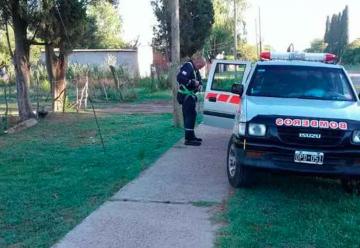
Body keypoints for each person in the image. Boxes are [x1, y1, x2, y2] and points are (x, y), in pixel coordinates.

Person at [176, 54, 206, 146]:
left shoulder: (195, 69)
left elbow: (199, 80)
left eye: (201, 67)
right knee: (189, 116)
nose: (200, 68)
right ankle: (188, 139)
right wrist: (193, 82)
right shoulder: (188, 66)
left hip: (191, 96)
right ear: (197, 62)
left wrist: (199, 84)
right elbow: (180, 78)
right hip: (185, 96)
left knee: (192, 115)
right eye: (200, 66)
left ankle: (191, 136)